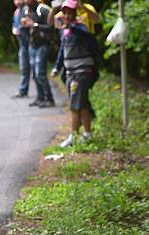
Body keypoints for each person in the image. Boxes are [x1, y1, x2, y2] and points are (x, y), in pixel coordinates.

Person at [51, 0, 100, 147]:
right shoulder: (64, 31)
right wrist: (56, 67)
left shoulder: (80, 27)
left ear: (75, 12)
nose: (66, 14)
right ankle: (87, 134)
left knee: (74, 105)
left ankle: (73, 136)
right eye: (64, 12)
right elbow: (62, 51)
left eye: (69, 12)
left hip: (82, 71)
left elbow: (87, 37)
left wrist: (70, 25)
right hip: (70, 72)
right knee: (82, 103)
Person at [21, 0, 55, 108]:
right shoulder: (26, 10)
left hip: (43, 45)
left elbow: (51, 26)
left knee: (40, 73)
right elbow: (27, 29)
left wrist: (34, 25)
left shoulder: (42, 9)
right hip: (32, 45)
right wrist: (24, 26)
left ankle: (49, 98)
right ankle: (40, 97)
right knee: (34, 75)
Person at [12, 0, 31, 98]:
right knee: (23, 68)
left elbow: (30, 24)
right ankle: (23, 90)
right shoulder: (16, 12)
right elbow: (14, 25)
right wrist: (15, 29)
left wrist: (21, 27)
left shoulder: (27, 10)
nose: (18, 1)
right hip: (22, 45)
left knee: (36, 71)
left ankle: (43, 95)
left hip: (30, 44)